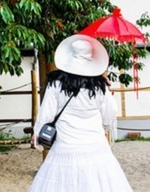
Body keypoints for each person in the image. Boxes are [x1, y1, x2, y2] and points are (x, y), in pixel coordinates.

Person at [29, 34, 132, 192]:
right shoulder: (100, 86)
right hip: (95, 145)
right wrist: (104, 127)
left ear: (70, 56)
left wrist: (37, 134)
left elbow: (46, 114)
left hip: (64, 146)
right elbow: (110, 113)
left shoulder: (56, 83)